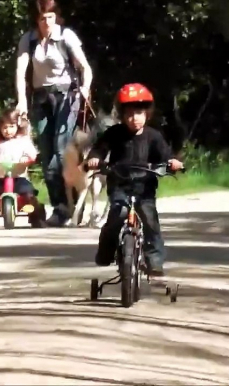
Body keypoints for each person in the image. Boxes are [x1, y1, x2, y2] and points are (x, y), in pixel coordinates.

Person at [85, 83, 184, 277]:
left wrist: (172, 162)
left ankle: (155, 260)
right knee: (117, 214)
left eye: (139, 113)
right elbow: (99, 148)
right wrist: (94, 158)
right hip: (119, 184)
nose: (134, 118)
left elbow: (165, 155)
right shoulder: (114, 133)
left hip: (144, 187)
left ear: (147, 113)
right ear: (121, 115)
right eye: (129, 114)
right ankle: (106, 251)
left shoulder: (153, 136)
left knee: (149, 218)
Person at [14, 0, 93, 227]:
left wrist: (85, 89)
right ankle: (60, 208)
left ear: (56, 17)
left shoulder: (66, 37)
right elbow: (21, 72)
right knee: (47, 155)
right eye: (42, 18)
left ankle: (74, 203)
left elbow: (85, 68)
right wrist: (22, 101)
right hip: (41, 98)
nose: (46, 22)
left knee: (61, 150)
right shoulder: (28, 40)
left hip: (67, 97)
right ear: (36, 20)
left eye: (50, 17)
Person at [0, 109, 47, 227]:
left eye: (11, 126)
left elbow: (32, 153)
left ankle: (36, 216)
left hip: (19, 178)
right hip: (0, 179)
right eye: (4, 128)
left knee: (28, 195)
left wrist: (27, 158)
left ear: (17, 126)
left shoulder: (23, 141)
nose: (8, 131)